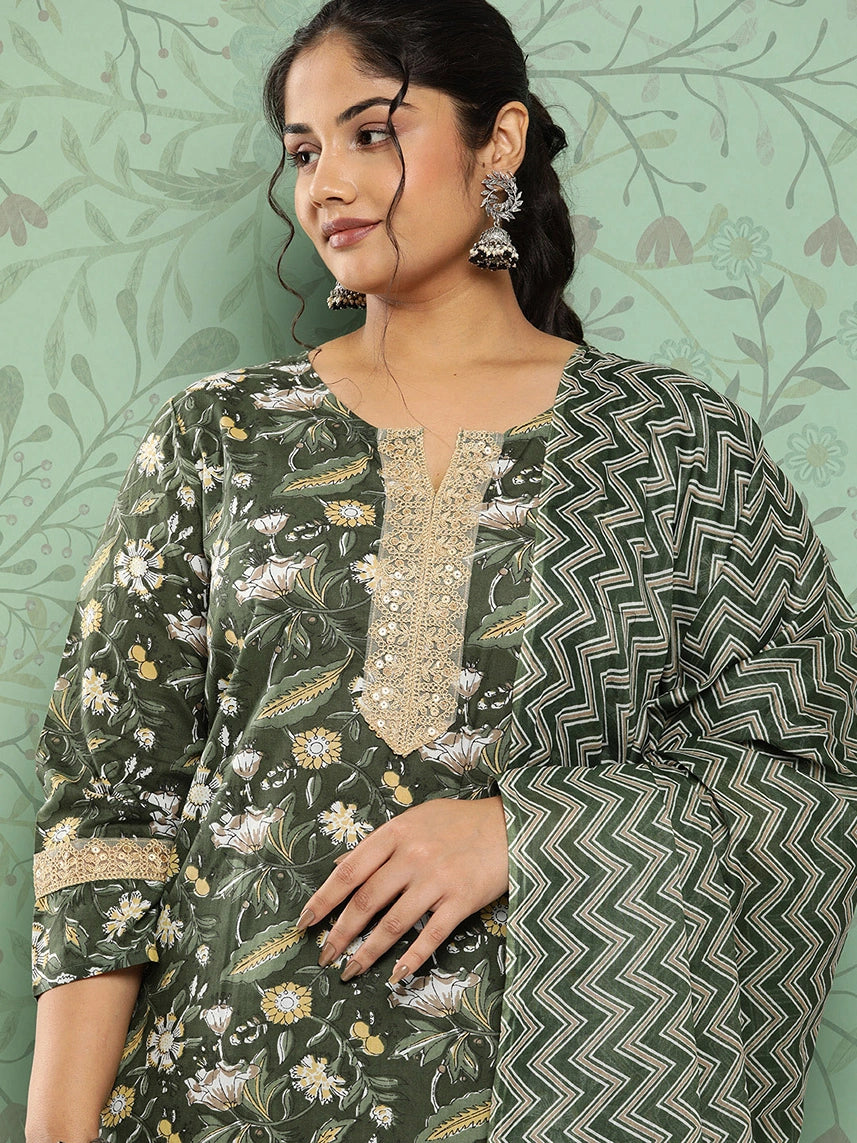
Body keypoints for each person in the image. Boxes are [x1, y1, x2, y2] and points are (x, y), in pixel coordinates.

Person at [25, 1, 857, 1141]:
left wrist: (529, 833)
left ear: (497, 142)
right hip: (221, 1093)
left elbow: (814, 761)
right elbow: (108, 806)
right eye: (304, 151)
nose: (327, 183)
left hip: (552, 1099)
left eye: (372, 132)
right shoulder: (220, 436)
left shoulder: (670, 444)